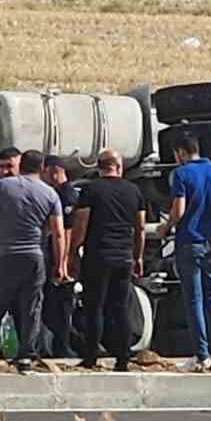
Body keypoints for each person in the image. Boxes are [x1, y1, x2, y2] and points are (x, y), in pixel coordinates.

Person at [156, 133, 211, 373]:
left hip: (189, 242)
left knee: (194, 301)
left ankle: (202, 355)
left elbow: (179, 209)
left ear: (181, 152)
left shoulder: (182, 174)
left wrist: (166, 227)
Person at [0, 148, 65, 372]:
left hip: (5, 255)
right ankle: (26, 356)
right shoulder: (50, 194)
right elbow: (59, 232)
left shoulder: (3, 187)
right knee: (31, 307)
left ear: (21, 164)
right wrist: (60, 263)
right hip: (34, 256)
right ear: (42, 168)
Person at [67, 148, 146, 371]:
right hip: (123, 257)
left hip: (98, 255)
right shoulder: (134, 191)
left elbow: (81, 224)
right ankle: (123, 358)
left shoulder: (91, 190)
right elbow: (140, 227)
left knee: (95, 307)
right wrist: (137, 256)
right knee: (120, 308)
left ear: (99, 167)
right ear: (119, 166)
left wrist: (73, 251)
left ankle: (92, 356)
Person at [38, 155, 81, 359]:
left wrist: (63, 261)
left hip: (62, 257)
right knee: (49, 306)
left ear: (54, 170)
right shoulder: (54, 193)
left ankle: (64, 346)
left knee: (60, 306)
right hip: (52, 254)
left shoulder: (67, 195)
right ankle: (60, 343)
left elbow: (68, 230)